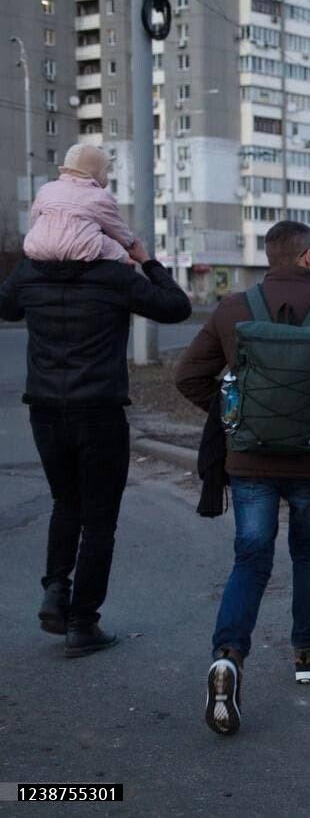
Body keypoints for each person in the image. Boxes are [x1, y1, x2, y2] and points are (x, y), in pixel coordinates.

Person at [175, 221, 310, 737]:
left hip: (249, 462)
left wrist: (232, 417)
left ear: (270, 257)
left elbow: (187, 376)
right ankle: (307, 653)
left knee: (251, 557)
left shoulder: (233, 310)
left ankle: (228, 657)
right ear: (308, 257)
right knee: (308, 552)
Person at [0, 225, 191, 656]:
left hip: (45, 410)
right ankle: (83, 622)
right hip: (99, 412)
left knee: (65, 502)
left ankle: (55, 590)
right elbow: (177, 307)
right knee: (100, 519)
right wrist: (145, 260)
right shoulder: (114, 276)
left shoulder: (32, 272)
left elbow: (7, 307)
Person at [23, 144, 134, 264]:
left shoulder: (46, 188)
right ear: (97, 171)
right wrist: (128, 244)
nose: (107, 174)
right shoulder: (99, 196)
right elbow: (119, 232)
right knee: (120, 253)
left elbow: (34, 220)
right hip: (81, 247)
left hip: (38, 246)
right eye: (105, 170)